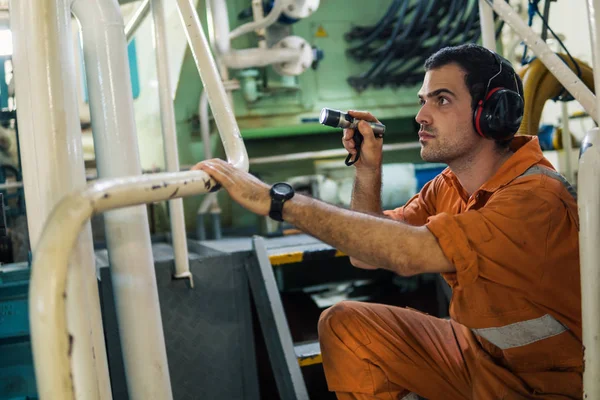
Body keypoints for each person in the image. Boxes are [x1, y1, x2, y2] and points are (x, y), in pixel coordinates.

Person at [193, 43, 581, 399]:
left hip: (554, 385)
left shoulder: (535, 199)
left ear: (491, 114)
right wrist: (367, 171)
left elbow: (409, 254)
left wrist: (277, 201)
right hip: (483, 361)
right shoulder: (448, 186)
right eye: (422, 100)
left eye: (441, 100)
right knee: (346, 326)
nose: (420, 116)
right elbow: (367, 254)